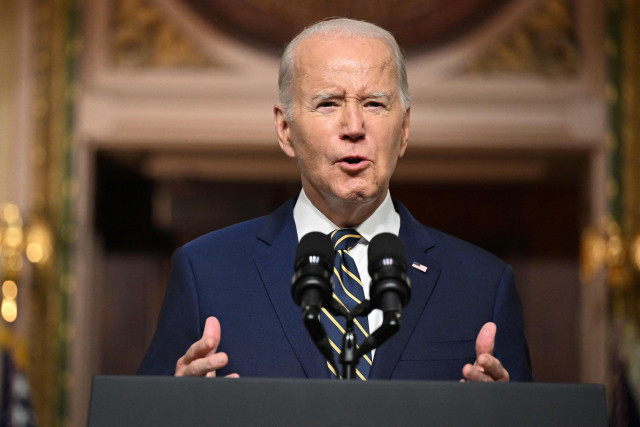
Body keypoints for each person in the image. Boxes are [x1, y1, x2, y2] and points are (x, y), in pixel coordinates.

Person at [138, 18, 532, 382]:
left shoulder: (483, 285)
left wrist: (499, 413)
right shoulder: (206, 273)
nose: (354, 127)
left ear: (405, 128)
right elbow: (138, 415)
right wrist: (176, 405)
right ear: (284, 129)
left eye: (374, 104)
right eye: (328, 103)